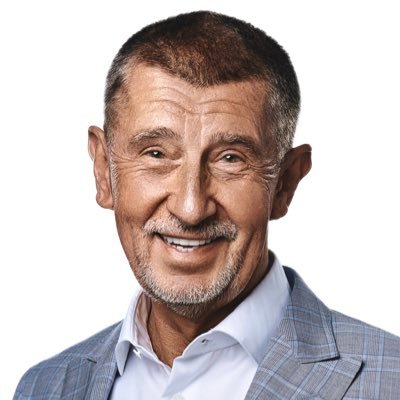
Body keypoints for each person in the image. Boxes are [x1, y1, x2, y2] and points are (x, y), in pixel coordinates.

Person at [14, 11, 400, 400]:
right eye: (156, 153)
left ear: (285, 183)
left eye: (230, 159)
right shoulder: (43, 388)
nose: (191, 208)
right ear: (104, 171)